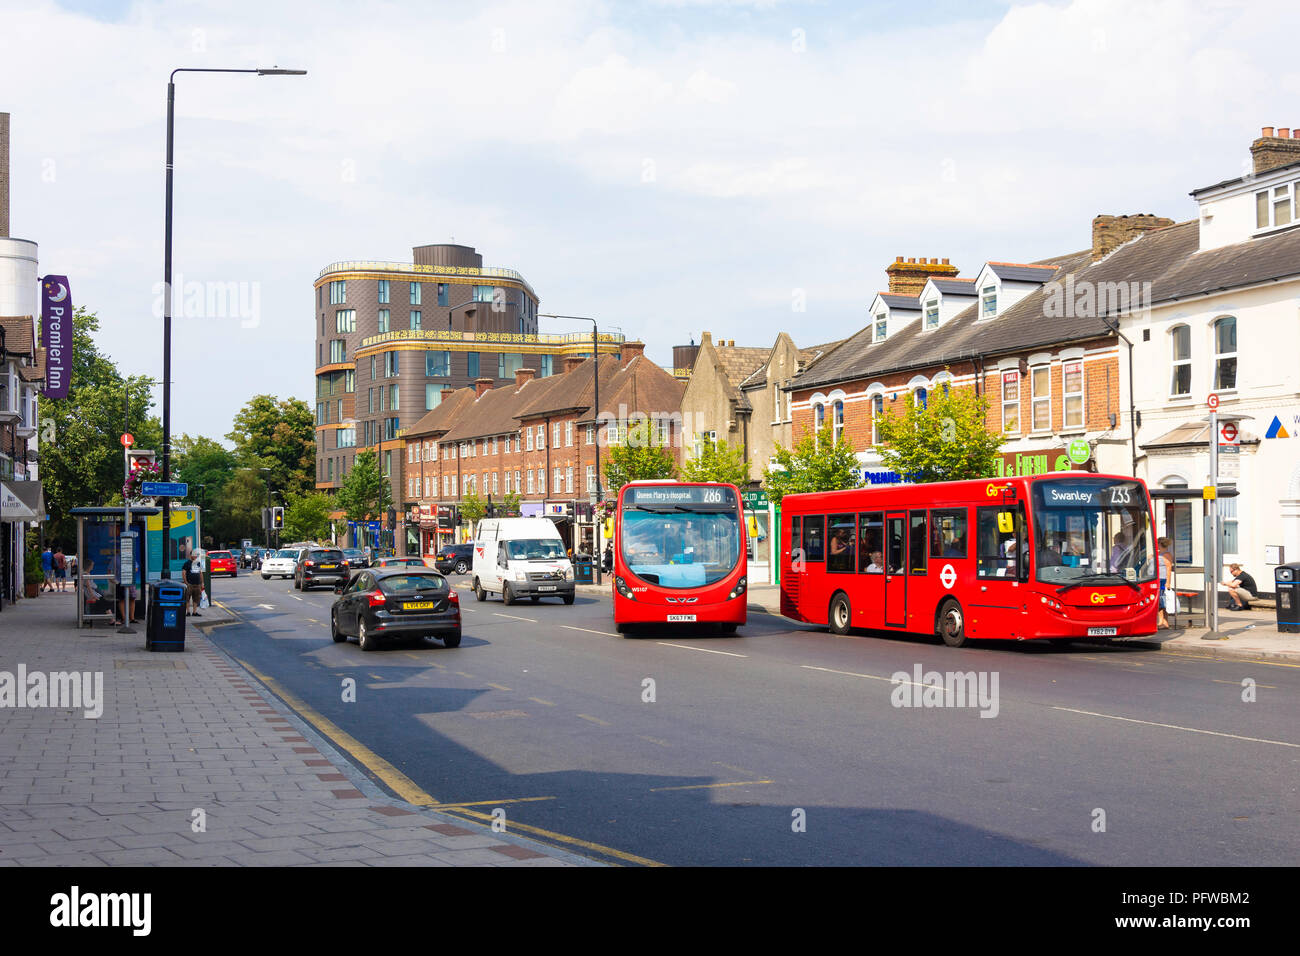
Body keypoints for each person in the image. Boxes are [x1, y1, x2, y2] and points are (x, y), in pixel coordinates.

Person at [1156, 536, 1174, 629]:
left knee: (1161, 600)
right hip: (1158, 580)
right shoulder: (1160, 554)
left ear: (1160, 544)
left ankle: (1162, 621)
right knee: (1161, 600)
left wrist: (1168, 582)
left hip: (1162, 580)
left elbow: (1168, 569)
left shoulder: (1166, 555)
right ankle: (1164, 621)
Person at [182, 551, 204, 616]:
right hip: (189, 584)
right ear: (191, 555)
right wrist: (186, 582)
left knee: (196, 599)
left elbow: (201, 573)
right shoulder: (187, 563)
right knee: (187, 598)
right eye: (194, 555)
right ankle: (188, 612)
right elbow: (183, 573)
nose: (195, 556)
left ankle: (194, 612)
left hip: (197, 584)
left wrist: (202, 583)